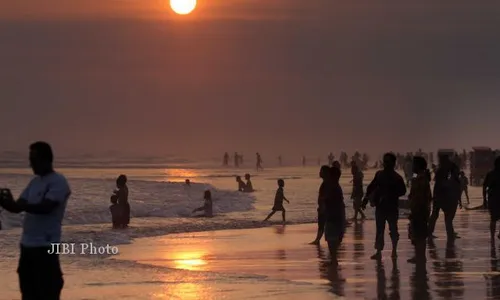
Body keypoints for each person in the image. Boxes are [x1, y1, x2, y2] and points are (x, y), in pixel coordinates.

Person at [0, 141, 71, 300]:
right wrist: (5, 201)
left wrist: (24, 205)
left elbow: (47, 207)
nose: (30, 163)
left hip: (46, 246)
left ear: (46, 159)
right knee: (28, 293)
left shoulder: (58, 181)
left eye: (34, 159)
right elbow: (17, 207)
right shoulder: (34, 182)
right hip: (27, 246)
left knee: (47, 292)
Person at [362, 152, 406, 260]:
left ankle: (394, 250)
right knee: (380, 230)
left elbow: (403, 191)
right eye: (384, 161)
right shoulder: (379, 174)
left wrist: (391, 193)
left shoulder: (397, 178)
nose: (385, 164)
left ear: (393, 163)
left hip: (392, 207)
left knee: (393, 229)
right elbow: (371, 187)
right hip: (380, 207)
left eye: (388, 162)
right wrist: (366, 199)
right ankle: (378, 251)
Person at [428, 156, 462, 240]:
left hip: (440, 197)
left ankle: (431, 233)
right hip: (442, 197)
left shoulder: (443, 171)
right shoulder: (444, 172)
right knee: (446, 216)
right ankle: (448, 233)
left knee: (439, 215)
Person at [407, 156, 432, 264]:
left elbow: (420, 198)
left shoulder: (420, 180)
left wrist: (416, 211)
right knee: (418, 235)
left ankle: (420, 257)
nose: (412, 166)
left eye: (413, 164)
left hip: (419, 211)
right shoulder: (421, 178)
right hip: (421, 211)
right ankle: (419, 256)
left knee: (419, 236)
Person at [325, 166, 347, 262]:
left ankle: (334, 265)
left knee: (332, 244)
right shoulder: (336, 187)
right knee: (333, 244)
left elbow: (336, 205)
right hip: (336, 218)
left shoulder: (334, 188)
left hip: (333, 218)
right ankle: (334, 264)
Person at [310, 165, 330, 245]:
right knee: (322, 224)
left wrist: (322, 207)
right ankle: (317, 239)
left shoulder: (326, 184)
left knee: (322, 223)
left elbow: (325, 197)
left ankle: (318, 240)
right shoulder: (326, 183)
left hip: (324, 207)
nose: (319, 173)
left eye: (321, 171)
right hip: (324, 206)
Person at [484, 157, 500, 240]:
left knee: (493, 219)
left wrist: (484, 200)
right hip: (494, 199)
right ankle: (493, 237)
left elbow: (484, 186)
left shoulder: (490, 174)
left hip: (492, 199)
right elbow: (484, 186)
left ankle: (492, 238)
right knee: (493, 219)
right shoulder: (491, 174)